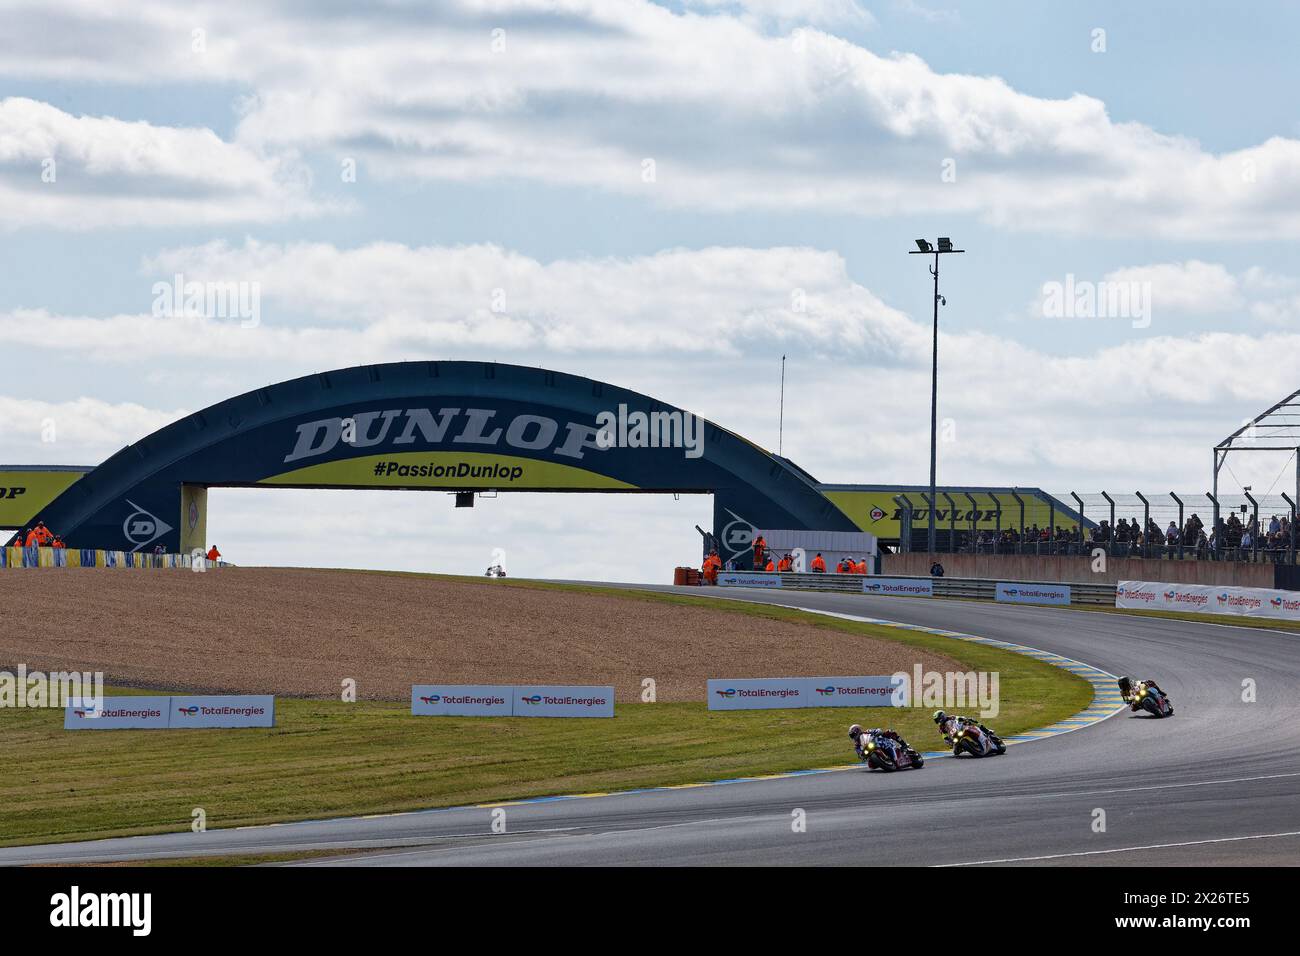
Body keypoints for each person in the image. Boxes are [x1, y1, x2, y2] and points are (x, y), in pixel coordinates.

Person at [848, 723, 915, 761]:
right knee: (871, 765)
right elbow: (859, 754)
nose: (853, 737)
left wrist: (877, 732)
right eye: (852, 736)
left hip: (881, 741)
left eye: (853, 735)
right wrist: (861, 755)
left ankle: (904, 745)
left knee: (890, 732)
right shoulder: (857, 745)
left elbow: (878, 730)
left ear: (858, 731)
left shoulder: (867, 731)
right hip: (870, 751)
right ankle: (883, 760)